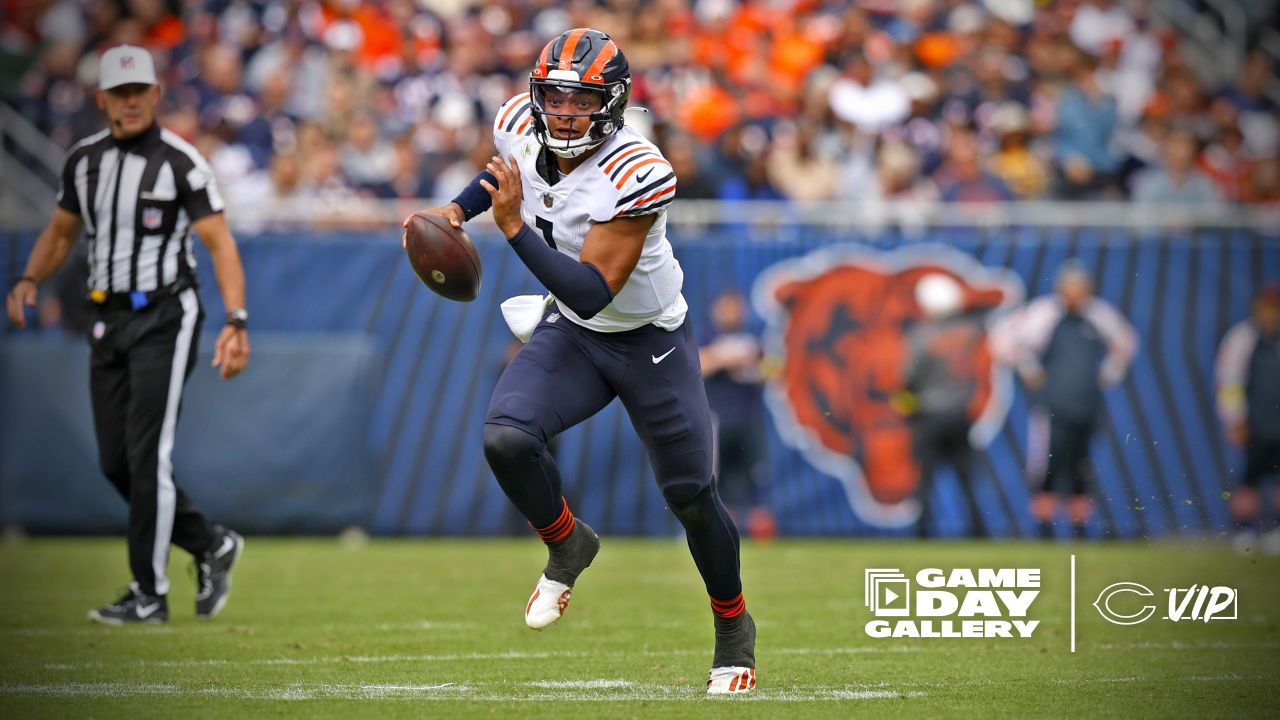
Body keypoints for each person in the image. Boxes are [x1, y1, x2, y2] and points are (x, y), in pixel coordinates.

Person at [405, 28, 755, 694]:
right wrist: (455, 211)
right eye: (555, 97)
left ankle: (733, 627)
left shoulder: (639, 170)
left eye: (581, 99)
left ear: (613, 103)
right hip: (575, 333)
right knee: (507, 438)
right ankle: (567, 543)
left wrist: (509, 229)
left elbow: (593, 290)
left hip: (646, 337)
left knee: (691, 496)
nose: (564, 111)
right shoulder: (516, 121)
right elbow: (497, 177)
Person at [5, 45, 249, 624]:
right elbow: (62, 233)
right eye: (120, 93)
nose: (131, 101)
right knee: (116, 461)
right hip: (106, 317)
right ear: (102, 99)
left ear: (156, 94)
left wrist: (236, 320)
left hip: (166, 315)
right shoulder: (84, 162)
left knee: (146, 456)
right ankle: (210, 541)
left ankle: (149, 592)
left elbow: (220, 244)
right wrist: (28, 277)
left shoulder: (182, 162)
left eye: (140, 90)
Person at [992, 261, 1137, 538]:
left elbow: (1126, 342)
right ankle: (1044, 530)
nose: (1076, 294)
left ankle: (1079, 530)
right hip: (1052, 405)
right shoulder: (1044, 313)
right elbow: (1004, 338)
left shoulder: (1098, 314)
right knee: (1047, 466)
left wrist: (1110, 371)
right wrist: (1029, 369)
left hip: (1086, 405)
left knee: (1081, 467)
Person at [899, 274, 988, 538]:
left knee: (925, 478)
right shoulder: (970, 331)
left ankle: (923, 533)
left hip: (929, 415)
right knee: (966, 479)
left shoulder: (923, 335)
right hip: (960, 415)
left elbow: (907, 376)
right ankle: (978, 532)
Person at [698, 290, 775, 539]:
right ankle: (717, 529)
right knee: (715, 478)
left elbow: (769, 369)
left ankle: (757, 529)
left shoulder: (753, 337)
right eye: (726, 307)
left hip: (747, 419)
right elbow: (697, 364)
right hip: (718, 420)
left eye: (735, 308)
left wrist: (755, 368)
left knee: (752, 477)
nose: (731, 313)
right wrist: (724, 358)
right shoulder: (708, 337)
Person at [1216, 284, 1280, 554]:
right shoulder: (1243, 337)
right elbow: (1229, 379)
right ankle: (1244, 532)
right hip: (1255, 422)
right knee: (1249, 479)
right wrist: (1234, 418)